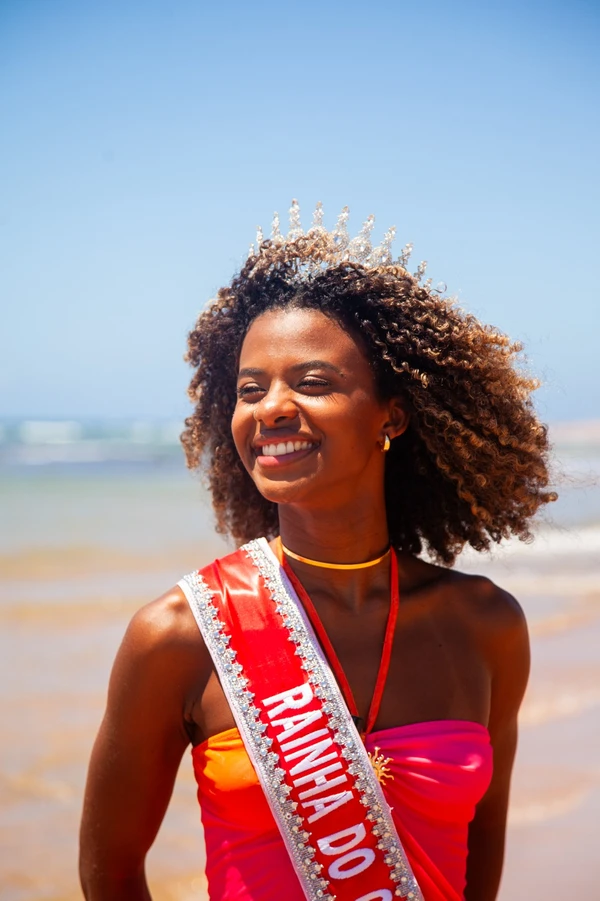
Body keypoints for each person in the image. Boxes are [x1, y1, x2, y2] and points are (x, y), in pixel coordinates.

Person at [79, 202, 556, 901]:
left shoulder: (487, 627)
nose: (271, 407)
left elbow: (479, 863)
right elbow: (110, 873)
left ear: (389, 414)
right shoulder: (181, 636)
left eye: (312, 382)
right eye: (249, 389)